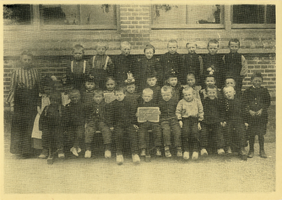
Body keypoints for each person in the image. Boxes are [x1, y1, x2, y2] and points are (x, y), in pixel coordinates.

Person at [7, 50, 40, 158]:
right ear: (21, 60)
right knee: (20, 124)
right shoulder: (16, 71)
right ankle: (20, 150)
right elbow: (12, 89)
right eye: (25, 59)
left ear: (32, 61)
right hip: (20, 101)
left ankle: (30, 150)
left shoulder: (36, 71)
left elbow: (39, 87)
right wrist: (12, 104)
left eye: (29, 60)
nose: (27, 62)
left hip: (32, 100)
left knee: (31, 124)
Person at [108, 86, 140, 165]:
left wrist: (134, 123)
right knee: (118, 134)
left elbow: (132, 114)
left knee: (133, 134)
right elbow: (110, 116)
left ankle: (135, 153)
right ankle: (119, 153)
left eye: (120, 94)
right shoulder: (113, 104)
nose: (119, 96)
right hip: (118, 124)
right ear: (114, 95)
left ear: (124, 94)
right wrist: (111, 125)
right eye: (117, 95)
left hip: (128, 123)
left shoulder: (129, 103)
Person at [242, 72, 271, 158]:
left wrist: (262, 109)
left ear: (262, 81)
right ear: (251, 81)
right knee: (251, 134)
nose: (257, 83)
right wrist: (249, 110)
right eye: (255, 81)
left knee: (261, 133)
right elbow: (244, 103)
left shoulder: (264, 91)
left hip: (261, 117)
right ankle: (251, 150)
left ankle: (262, 150)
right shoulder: (247, 91)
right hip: (251, 117)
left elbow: (267, 102)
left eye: (259, 81)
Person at [176, 87, 204, 160]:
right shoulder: (181, 102)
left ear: (193, 94)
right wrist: (180, 120)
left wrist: (199, 121)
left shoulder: (197, 101)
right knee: (185, 132)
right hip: (185, 119)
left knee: (195, 132)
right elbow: (178, 112)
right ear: (183, 95)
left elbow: (201, 111)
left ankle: (195, 150)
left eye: (189, 95)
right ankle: (186, 150)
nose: (188, 97)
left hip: (195, 120)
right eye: (186, 95)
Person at [222, 86, 248, 160]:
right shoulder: (224, 103)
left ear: (234, 92)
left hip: (238, 119)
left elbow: (243, 112)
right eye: (226, 93)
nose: (228, 94)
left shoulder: (239, 102)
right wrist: (223, 120)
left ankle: (242, 148)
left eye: (230, 92)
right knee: (227, 130)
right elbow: (222, 113)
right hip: (228, 119)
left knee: (241, 130)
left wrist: (245, 121)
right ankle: (228, 147)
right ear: (224, 95)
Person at [84, 90, 112, 159]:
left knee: (106, 130)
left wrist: (109, 124)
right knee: (89, 130)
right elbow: (87, 115)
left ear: (102, 97)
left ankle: (107, 149)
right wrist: (86, 122)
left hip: (102, 121)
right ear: (93, 97)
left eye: (99, 97)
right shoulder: (90, 105)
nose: (98, 99)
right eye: (96, 97)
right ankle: (88, 149)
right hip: (92, 122)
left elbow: (108, 115)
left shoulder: (106, 105)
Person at [136, 88, 162, 161]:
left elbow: (158, 115)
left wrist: (159, 113)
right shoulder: (140, 105)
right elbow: (138, 115)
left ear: (152, 97)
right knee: (141, 132)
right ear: (142, 96)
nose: (146, 98)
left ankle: (158, 147)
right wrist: (137, 114)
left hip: (153, 122)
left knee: (157, 130)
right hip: (144, 123)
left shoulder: (155, 105)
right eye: (145, 96)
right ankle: (143, 149)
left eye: (148, 96)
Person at [38, 91, 65, 159]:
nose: (55, 102)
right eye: (53, 100)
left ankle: (60, 150)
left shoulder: (62, 108)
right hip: (48, 126)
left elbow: (66, 118)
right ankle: (45, 150)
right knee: (45, 135)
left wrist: (64, 126)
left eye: (57, 100)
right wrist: (41, 127)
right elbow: (42, 118)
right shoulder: (47, 108)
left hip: (58, 126)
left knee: (59, 135)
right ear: (50, 100)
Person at [200, 85, 225, 156]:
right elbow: (200, 110)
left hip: (216, 121)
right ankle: (203, 148)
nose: (211, 94)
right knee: (203, 132)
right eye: (210, 93)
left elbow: (222, 111)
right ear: (207, 93)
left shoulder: (218, 102)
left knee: (218, 132)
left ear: (216, 93)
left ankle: (220, 147)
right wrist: (201, 119)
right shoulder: (204, 101)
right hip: (205, 121)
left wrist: (222, 120)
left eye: (213, 92)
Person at [158, 86, 182, 158]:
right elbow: (157, 111)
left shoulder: (175, 101)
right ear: (162, 95)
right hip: (164, 119)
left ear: (171, 94)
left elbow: (178, 110)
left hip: (173, 118)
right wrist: (158, 111)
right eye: (164, 95)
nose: (166, 97)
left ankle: (178, 147)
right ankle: (167, 147)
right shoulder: (159, 102)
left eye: (168, 95)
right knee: (166, 130)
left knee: (177, 130)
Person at [31, 76, 54, 151]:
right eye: (46, 89)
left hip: (50, 115)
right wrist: (41, 113)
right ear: (43, 89)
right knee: (39, 130)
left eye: (49, 89)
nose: (47, 91)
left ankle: (50, 147)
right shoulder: (41, 97)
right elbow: (38, 106)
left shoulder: (52, 97)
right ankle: (41, 148)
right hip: (41, 115)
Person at [64, 89, 85, 157]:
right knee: (70, 135)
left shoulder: (82, 106)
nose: (75, 99)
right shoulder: (68, 106)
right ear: (70, 98)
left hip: (80, 124)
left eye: (76, 97)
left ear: (79, 97)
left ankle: (74, 147)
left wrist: (85, 123)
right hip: (71, 125)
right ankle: (75, 146)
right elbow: (66, 117)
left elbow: (85, 115)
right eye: (73, 97)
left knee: (79, 134)